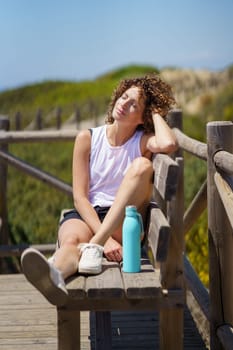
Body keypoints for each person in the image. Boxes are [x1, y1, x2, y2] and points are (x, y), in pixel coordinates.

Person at [21, 74, 178, 306]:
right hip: (90, 215)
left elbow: (168, 144)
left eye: (134, 103)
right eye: (124, 96)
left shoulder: (142, 141)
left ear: (142, 117)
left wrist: (155, 111)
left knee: (142, 165)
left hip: (124, 222)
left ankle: (87, 249)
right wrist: (104, 241)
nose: (124, 103)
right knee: (71, 240)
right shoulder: (87, 138)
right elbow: (80, 197)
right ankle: (54, 275)